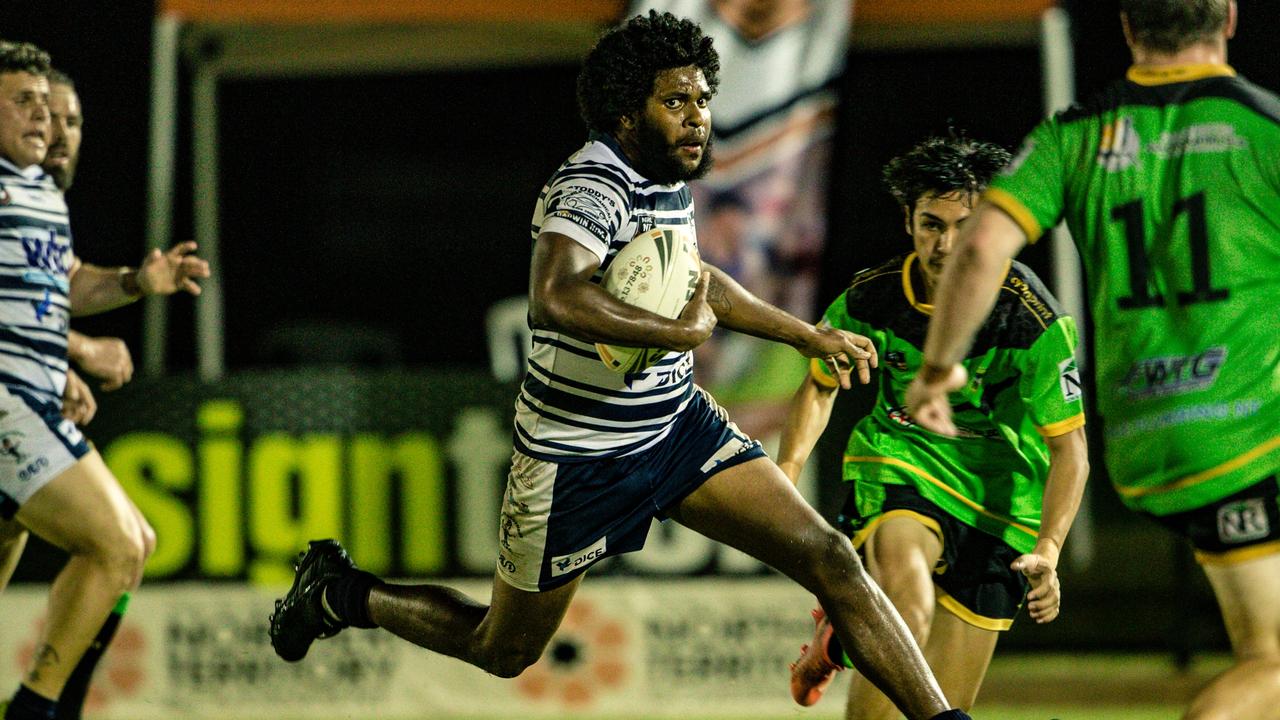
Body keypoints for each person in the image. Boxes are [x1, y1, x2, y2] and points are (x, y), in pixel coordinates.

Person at [269, 12, 971, 720]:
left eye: (701, 99)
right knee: (503, 649)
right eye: (676, 102)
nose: (698, 118)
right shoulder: (591, 186)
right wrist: (676, 333)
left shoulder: (667, 178)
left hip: (674, 431)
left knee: (831, 558)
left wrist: (804, 336)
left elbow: (700, 280)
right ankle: (341, 592)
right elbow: (556, 295)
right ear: (626, 114)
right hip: (577, 455)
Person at [904, 3, 1279, 719]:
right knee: (1273, 666)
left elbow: (982, 247)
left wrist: (937, 367)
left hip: (1150, 440)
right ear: (1231, 18)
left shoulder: (1074, 134)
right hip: (1254, 431)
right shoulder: (1263, 125)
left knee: (1266, 657)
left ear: (1128, 24)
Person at [778, 136, 1090, 715]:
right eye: (931, 224)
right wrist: (786, 475)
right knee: (908, 607)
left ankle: (846, 634)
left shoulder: (1033, 318)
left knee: (942, 707)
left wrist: (1048, 549)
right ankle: (864, 623)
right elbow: (820, 385)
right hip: (903, 463)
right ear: (908, 221)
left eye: (965, 226)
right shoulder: (873, 298)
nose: (946, 245)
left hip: (1001, 503)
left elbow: (1071, 452)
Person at [0, 44, 209, 720]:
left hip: (27, 394)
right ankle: (41, 710)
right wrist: (73, 352)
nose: (47, 120)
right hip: (8, 400)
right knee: (122, 544)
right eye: (26, 101)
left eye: (57, 109)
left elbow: (55, 284)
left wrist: (134, 283)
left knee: (124, 547)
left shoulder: (33, 190)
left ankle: (54, 702)